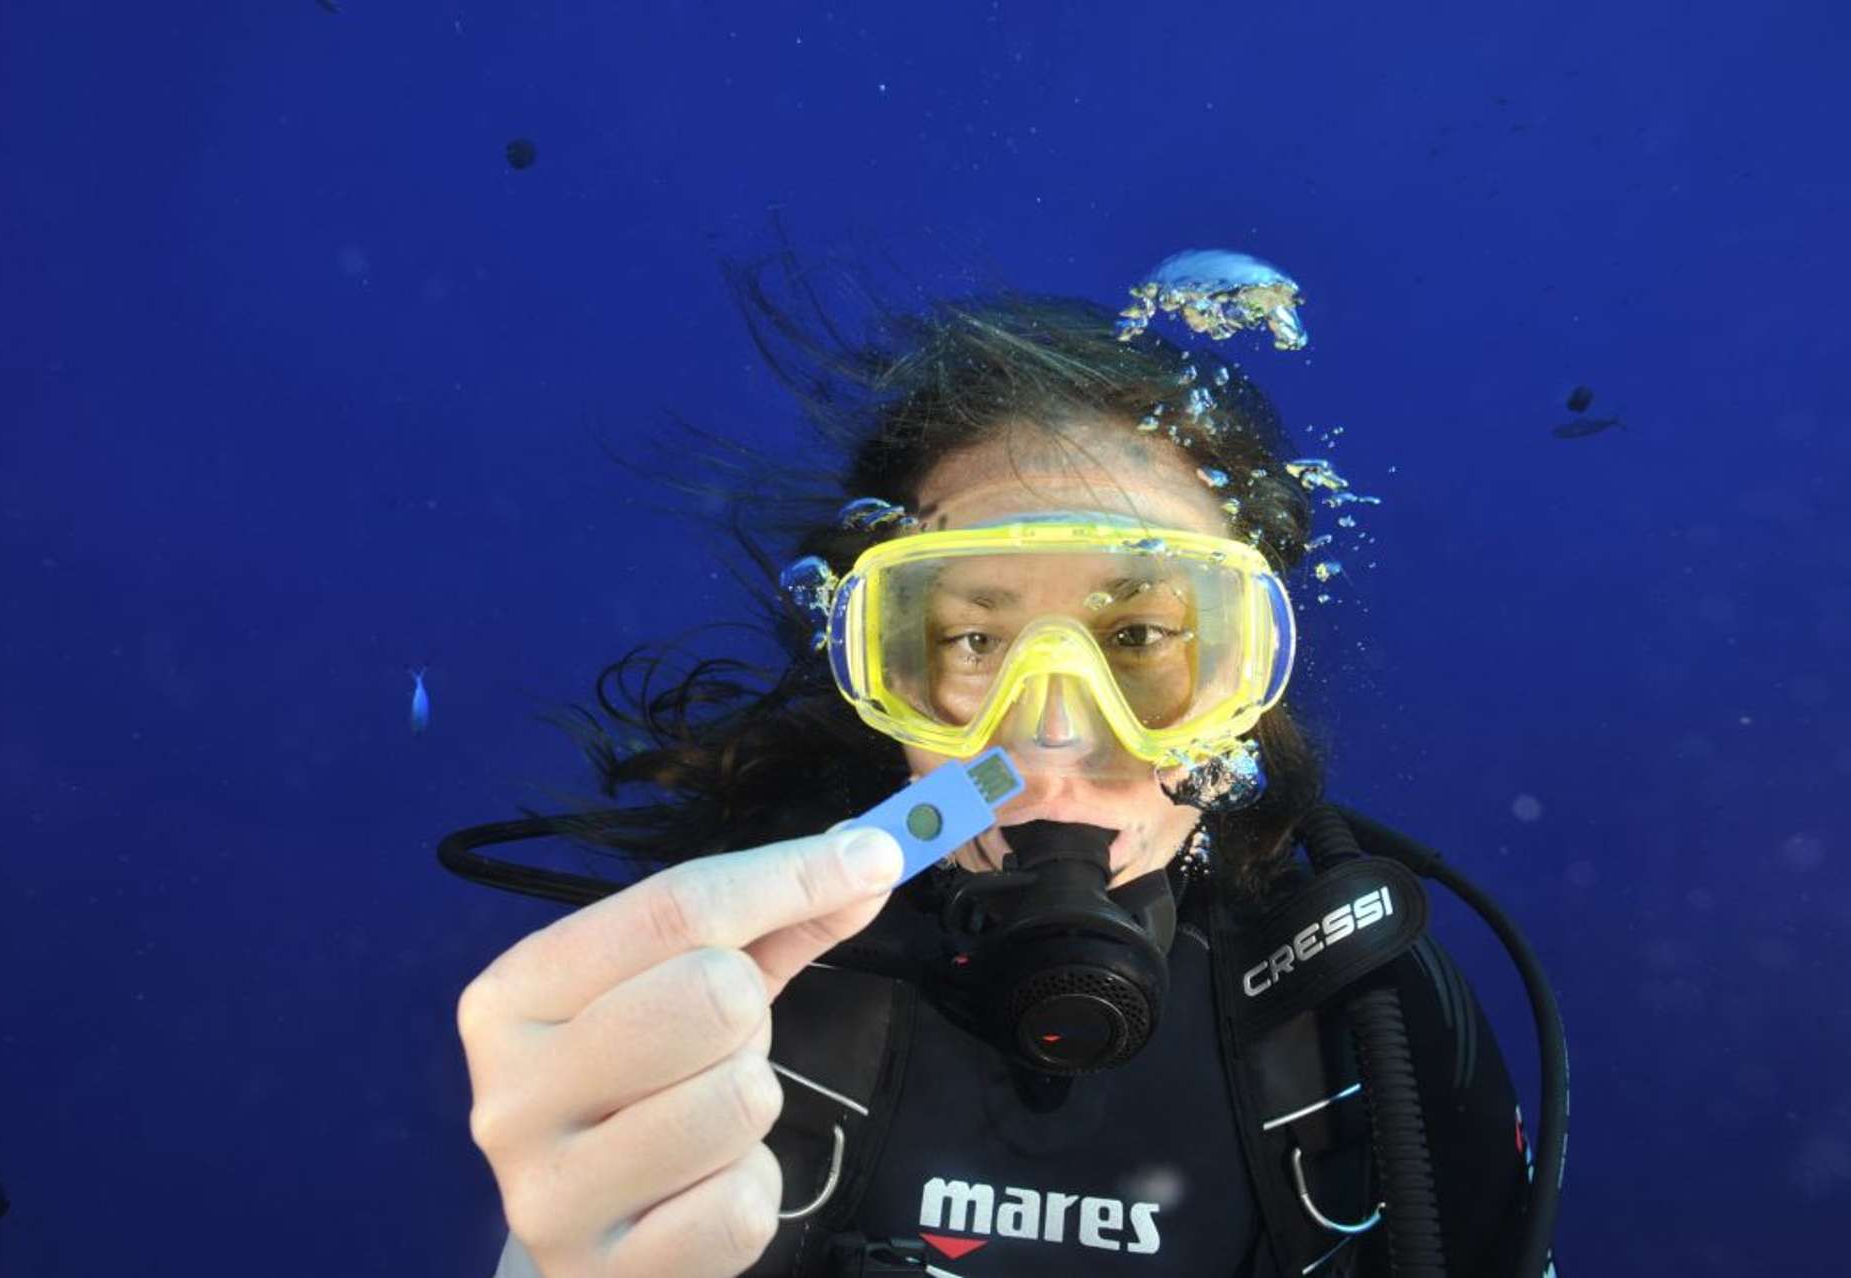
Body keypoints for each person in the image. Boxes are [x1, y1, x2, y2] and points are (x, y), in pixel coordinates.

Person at [451, 260, 1554, 1277]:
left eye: (1138, 642)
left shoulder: (1370, 1020)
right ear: (877, 673)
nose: (1057, 740)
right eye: (977, 643)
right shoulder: (731, 991)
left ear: (1243, 689)